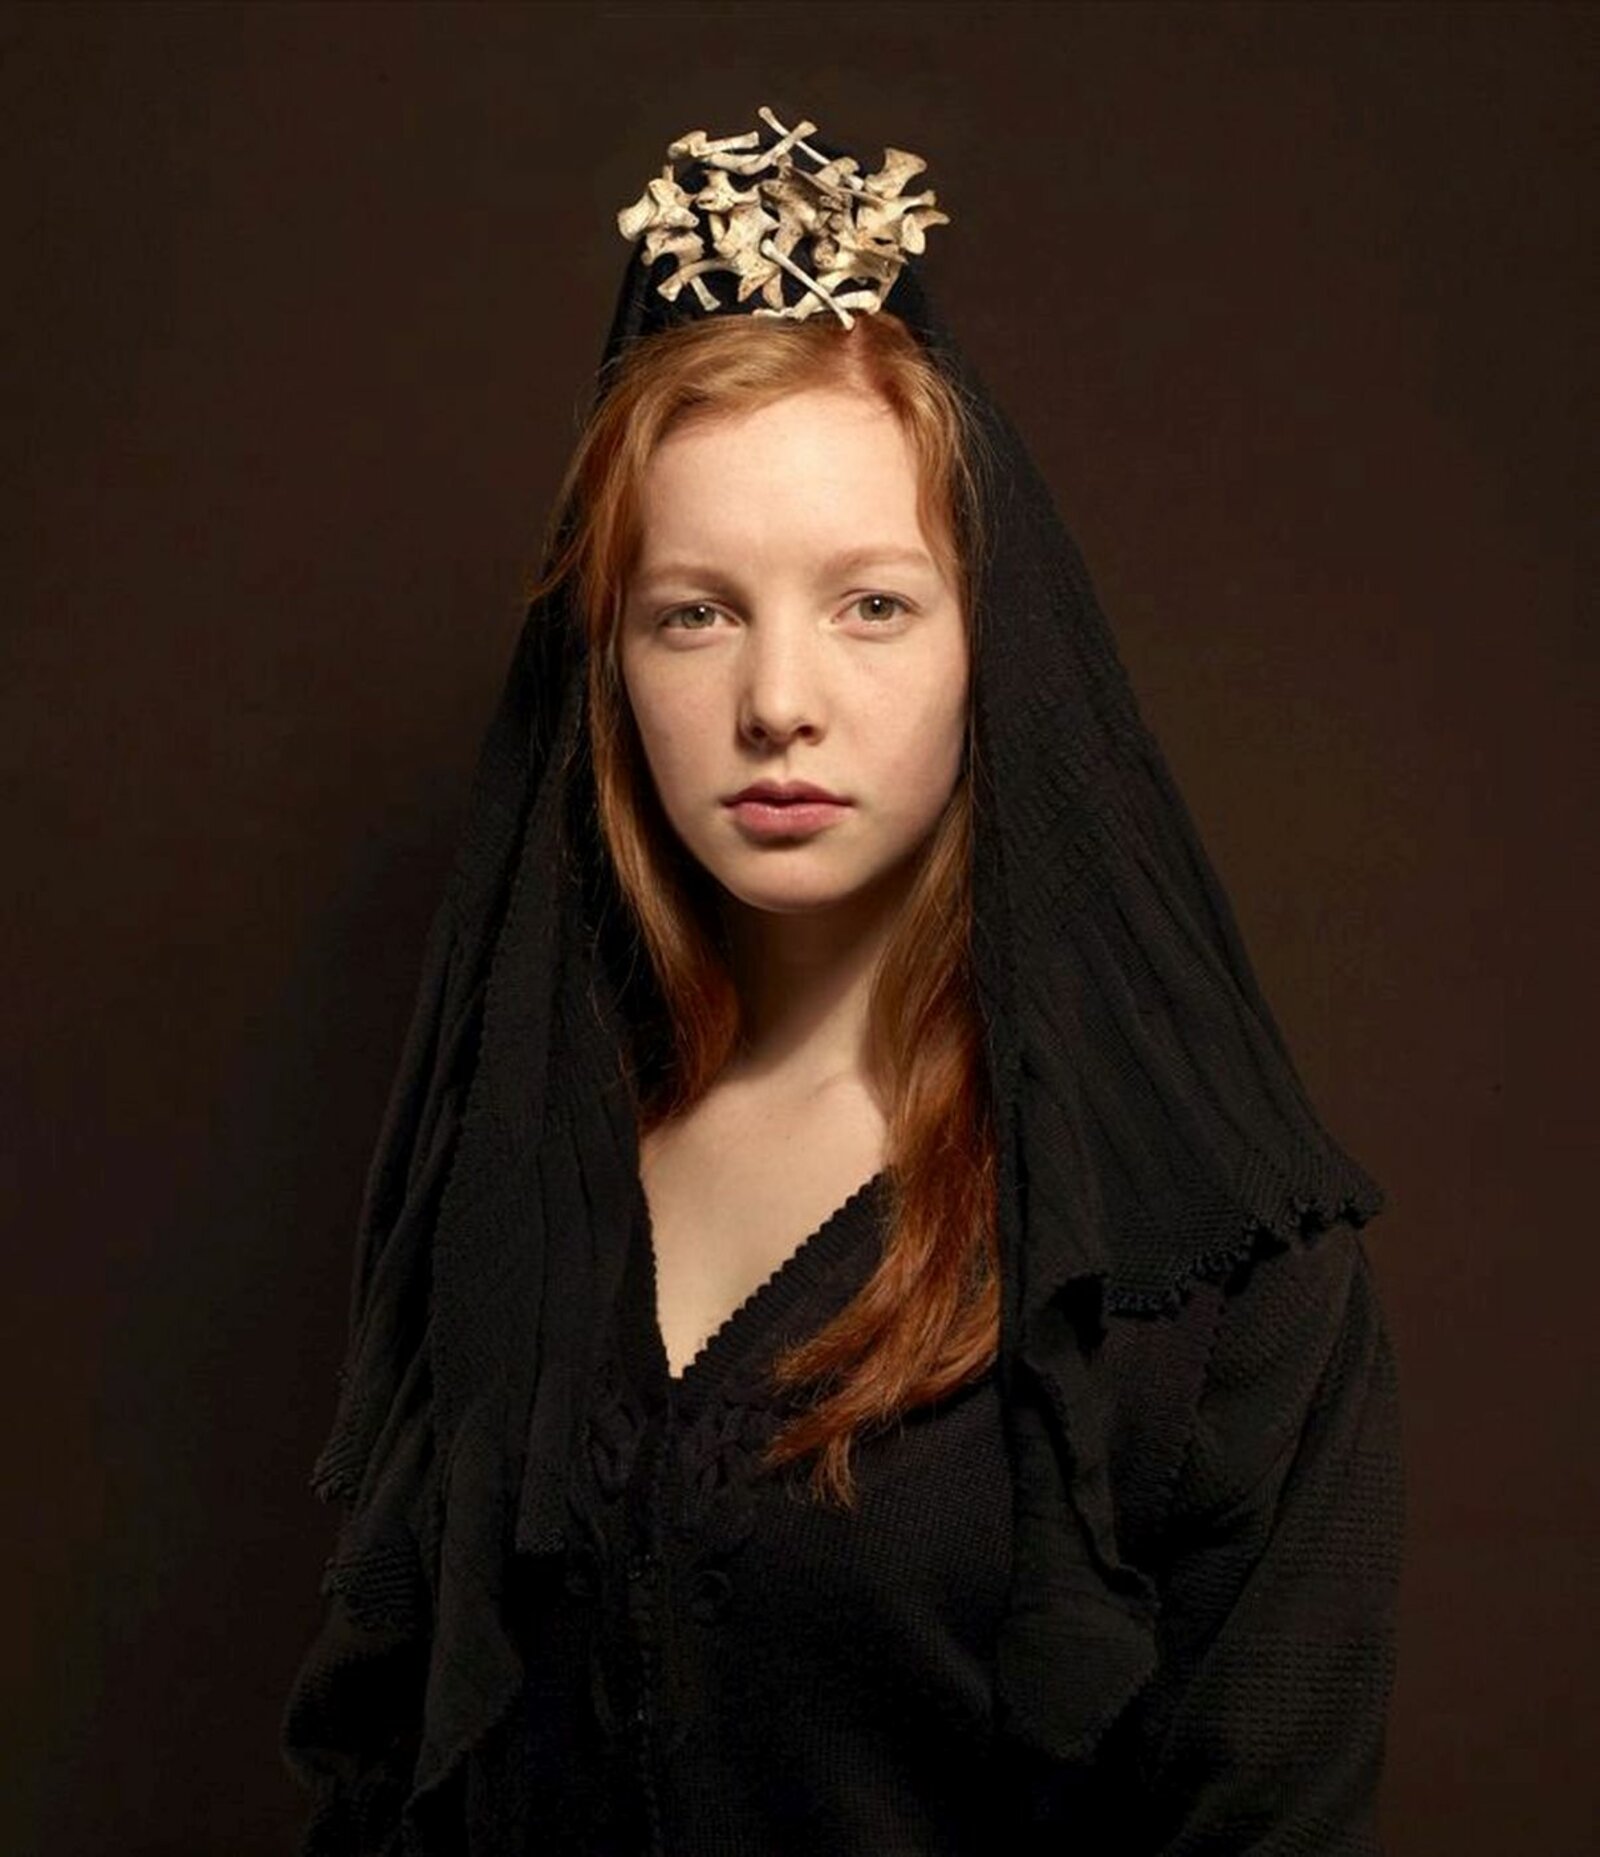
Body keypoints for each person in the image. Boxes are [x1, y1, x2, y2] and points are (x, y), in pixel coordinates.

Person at [283, 109, 1402, 1855]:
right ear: (608, 667)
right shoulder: (510, 1185)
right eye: (694, 612)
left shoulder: (1213, 1278)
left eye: (871, 604)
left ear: (989, 644)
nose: (778, 703)